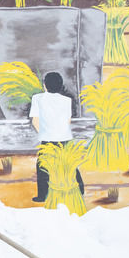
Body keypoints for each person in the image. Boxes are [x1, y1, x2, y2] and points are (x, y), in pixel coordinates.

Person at [29, 71, 84, 202]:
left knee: (42, 167)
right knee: (69, 164)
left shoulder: (37, 98)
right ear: (60, 85)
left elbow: (35, 121)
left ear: (45, 85)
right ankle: (80, 189)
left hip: (47, 139)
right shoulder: (67, 100)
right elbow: (68, 121)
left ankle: (42, 196)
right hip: (65, 138)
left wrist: (45, 133)